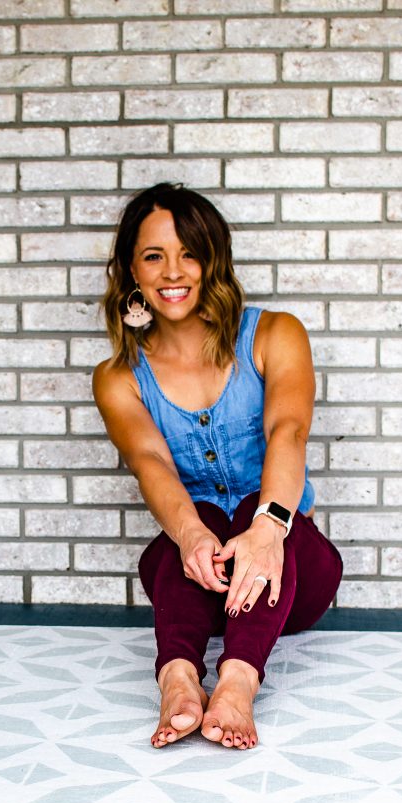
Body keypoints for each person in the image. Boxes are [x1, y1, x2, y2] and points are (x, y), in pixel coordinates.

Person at [93, 183, 342, 751]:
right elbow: (149, 460)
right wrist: (190, 538)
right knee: (196, 519)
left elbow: (289, 430)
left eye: (189, 253)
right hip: (201, 579)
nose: (172, 271)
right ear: (131, 269)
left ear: (213, 260)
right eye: (153, 255)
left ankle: (237, 682)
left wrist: (268, 527)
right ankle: (178, 679)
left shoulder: (276, 334)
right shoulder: (118, 376)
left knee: (257, 514)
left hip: (292, 573)